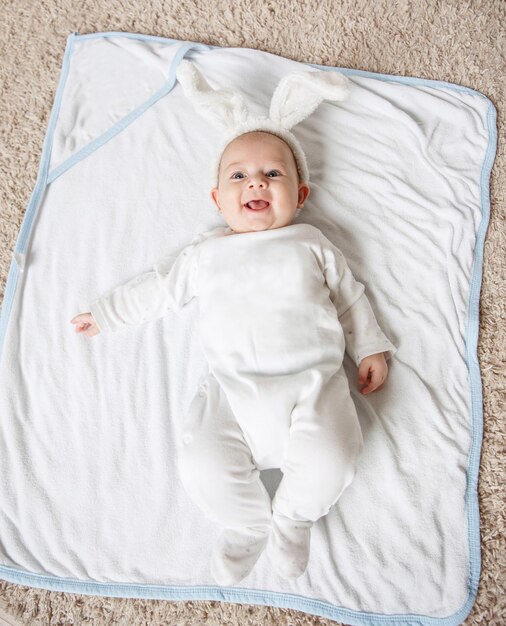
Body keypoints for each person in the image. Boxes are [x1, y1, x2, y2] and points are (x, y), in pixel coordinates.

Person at [70, 62, 397, 587]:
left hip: (312, 385)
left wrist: (371, 348)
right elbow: (160, 287)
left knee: (336, 453)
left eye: (274, 173)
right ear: (218, 199)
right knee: (200, 460)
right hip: (231, 392)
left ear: (301, 195)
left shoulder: (311, 244)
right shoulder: (207, 253)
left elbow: (350, 298)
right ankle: (245, 524)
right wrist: (107, 313)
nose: (257, 183)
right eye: (239, 175)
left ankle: (293, 518)